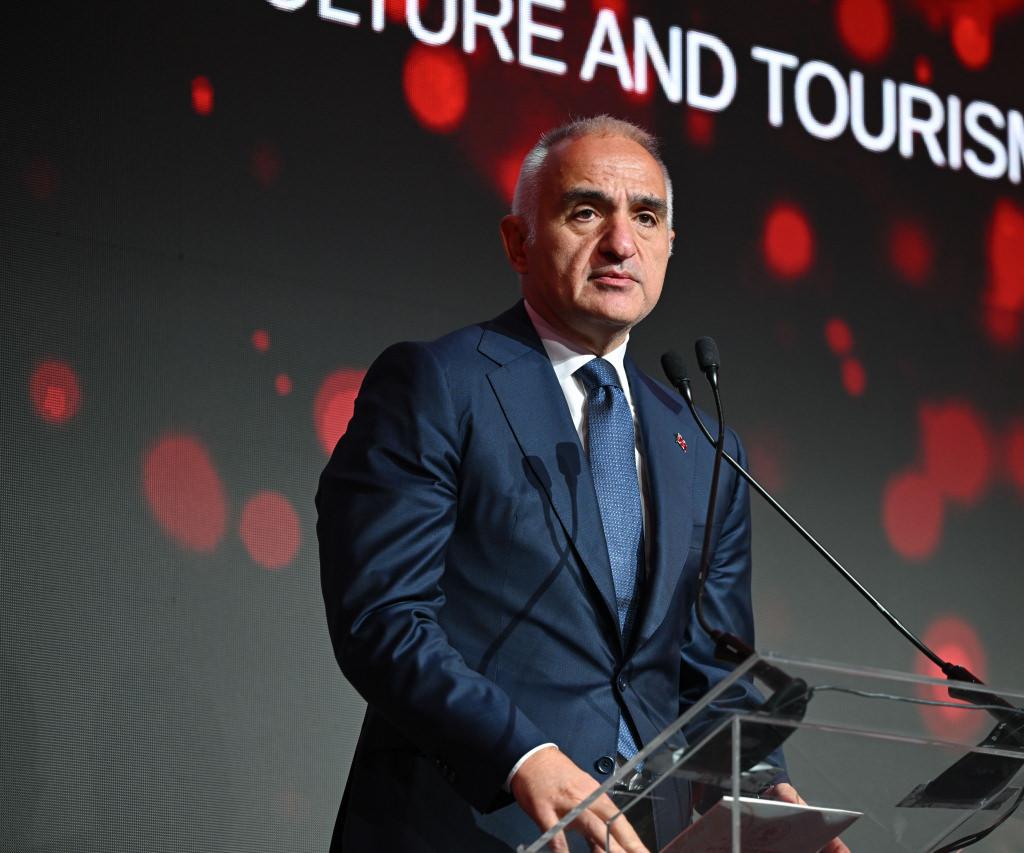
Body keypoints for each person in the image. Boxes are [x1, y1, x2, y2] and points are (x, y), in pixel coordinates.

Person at [317, 116, 848, 853]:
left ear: (669, 245)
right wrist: (521, 756)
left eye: (647, 218)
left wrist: (758, 785)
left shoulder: (706, 445)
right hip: (470, 826)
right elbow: (384, 618)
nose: (621, 243)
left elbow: (709, 670)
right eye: (587, 212)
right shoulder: (438, 384)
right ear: (518, 241)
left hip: (644, 837)